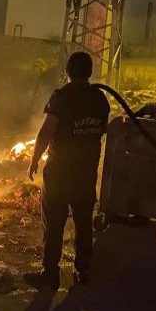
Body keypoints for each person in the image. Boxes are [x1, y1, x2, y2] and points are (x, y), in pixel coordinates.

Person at [24, 51, 111, 290]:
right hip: (86, 172)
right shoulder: (100, 99)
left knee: (54, 223)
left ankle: (50, 274)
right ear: (90, 72)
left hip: (60, 172)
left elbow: (46, 132)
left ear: (67, 71)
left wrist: (34, 159)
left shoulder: (61, 97)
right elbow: (103, 129)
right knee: (83, 223)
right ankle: (82, 270)